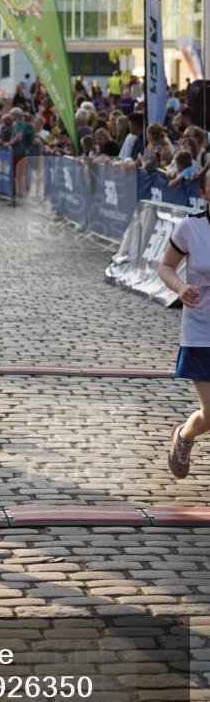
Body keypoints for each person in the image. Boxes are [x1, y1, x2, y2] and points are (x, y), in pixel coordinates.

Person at [157, 165, 210, 478]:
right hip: (201, 331)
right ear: (203, 193)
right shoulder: (190, 228)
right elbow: (165, 267)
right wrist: (180, 286)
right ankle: (184, 436)